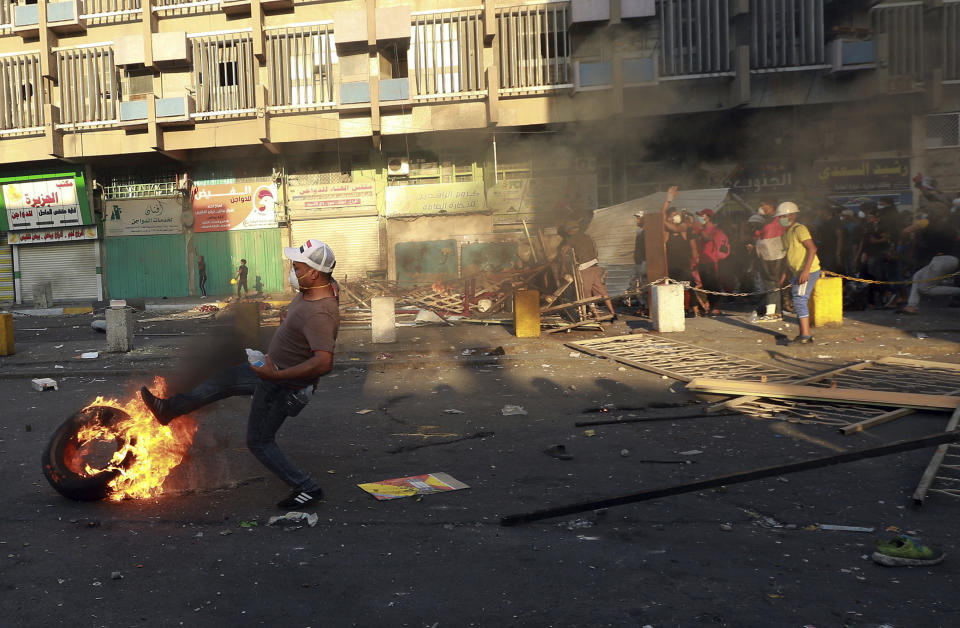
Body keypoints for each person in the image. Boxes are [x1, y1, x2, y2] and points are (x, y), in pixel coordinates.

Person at [140, 239, 341, 509]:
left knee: (259, 441)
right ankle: (169, 409)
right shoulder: (311, 290)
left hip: (282, 383)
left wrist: (276, 377)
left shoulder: (321, 313)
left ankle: (306, 487)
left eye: (297, 266)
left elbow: (323, 363)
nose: (292, 271)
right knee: (225, 381)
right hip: (269, 368)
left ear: (314, 273)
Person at [777, 202, 821, 344]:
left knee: (799, 300)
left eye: (784, 216)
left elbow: (812, 249)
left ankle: (805, 336)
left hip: (807, 271)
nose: (781, 219)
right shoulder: (785, 234)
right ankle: (804, 334)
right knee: (798, 300)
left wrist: (806, 271)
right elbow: (787, 256)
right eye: (780, 216)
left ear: (793, 216)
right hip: (797, 272)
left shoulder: (799, 229)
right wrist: (783, 276)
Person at [899, 213, 960, 314]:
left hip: (942, 260)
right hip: (951, 260)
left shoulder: (926, 222)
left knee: (926, 289)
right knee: (917, 276)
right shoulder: (950, 227)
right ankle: (911, 306)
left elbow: (907, 230)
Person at [559, 219, 617, 320]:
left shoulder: (572, 238)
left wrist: (563, 265)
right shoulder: (588, 237)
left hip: (584, 268)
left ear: (569, 231)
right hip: (595, 266)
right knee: (603, 292)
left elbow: (564, 251)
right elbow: (595, 250)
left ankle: (596, 315)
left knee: (586, 293)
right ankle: (613, 313)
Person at [660, 186, 700, 316]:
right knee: (673, 288)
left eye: (676, 215)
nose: (675, 216)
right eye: (673, 215)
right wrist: (668, 201)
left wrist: (695, 261)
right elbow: (662, 219)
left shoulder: (683, 227)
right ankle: (679, 310)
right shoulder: (667, 232)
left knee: (688, 287)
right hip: (671, 265)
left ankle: (694, 310)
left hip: (684, 264)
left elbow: (673, 226)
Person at [752, 198, 788, 322]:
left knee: (772, 284)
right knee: (772, 285)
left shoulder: (776, 221)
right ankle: (776, 312)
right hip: (769, 256)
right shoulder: (769, 221)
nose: (761, 208)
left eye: (763, 205)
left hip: (774, 257)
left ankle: (773, 313)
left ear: (771, 205)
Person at [694, 208, 729, 316]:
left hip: (712, 261)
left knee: (714, 285)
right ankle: (711, 306)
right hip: (702, 261)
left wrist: (700, 230)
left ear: (708, 217)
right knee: (706, 285)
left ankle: (716, 307)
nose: (700, 218)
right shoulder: (701, 229)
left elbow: (708, 239)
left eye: (702, 215)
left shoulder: (715, 230)